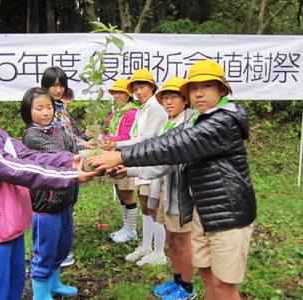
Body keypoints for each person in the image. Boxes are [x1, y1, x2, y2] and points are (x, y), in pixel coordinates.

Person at [88, 60, 256, 300]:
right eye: (194, 87)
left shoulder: (222, 122)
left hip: (228, 214)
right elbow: (161, 144)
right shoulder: (200, 120)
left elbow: (172, 145)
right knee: (208, 274)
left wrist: (120, 154)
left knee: (223, 284)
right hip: (204, 210)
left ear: (222, 91)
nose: (199, 93)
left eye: (207, 86)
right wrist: (128, 167)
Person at [0, 76, 95, 300]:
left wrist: (69, 160)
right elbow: (12, 167)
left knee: (14, 288)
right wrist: (70, 175)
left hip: (11, 223)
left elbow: (27, 155)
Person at [116, 77, 195, 299]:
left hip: (181, 192)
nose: (168, 102)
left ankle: (187, 287)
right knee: (171, 237)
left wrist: (128, 167)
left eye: (174, 97)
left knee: (181, 240)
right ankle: (177, 279)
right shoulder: (168, 123)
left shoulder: (187, 124)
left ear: (185, 100)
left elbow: (166, 161)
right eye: (166, 98)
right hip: (165, 186)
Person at [21, 87, 84, 300]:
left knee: (62, 246)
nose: (46, 112)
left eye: (48, 107)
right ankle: (40, 292)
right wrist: (87, 160)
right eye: (39, 108)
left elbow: (73, 146)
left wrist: (88, 148)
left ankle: (54, 282)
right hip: (45, 204)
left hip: (64, 199)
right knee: (45, 249)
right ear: (28, 111)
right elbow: (63, 155)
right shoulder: (32, 136)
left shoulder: (56, 130)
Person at [105, 69, 168, 265]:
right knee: (145, 205)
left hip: (154, 162)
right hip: (142, 161)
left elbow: (146, 139)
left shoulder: (155, 106)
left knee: (154, 207)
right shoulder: (142, 108)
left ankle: (159, 252)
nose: (139, 91)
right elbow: (135, 138)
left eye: (143, 87)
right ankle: (146, 246)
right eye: (136, 88)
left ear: (152, 87)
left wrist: (117, 146)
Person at [100, 78, 138, 243]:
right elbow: (110, 131)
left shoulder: (132, 112)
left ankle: (131, 230)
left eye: (120, 92)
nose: (116, 95)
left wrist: (106, 139)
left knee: (127, 192)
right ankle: (126, 227)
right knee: (121, 191)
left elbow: (127, 136)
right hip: (113, 156)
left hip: (125, 156)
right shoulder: (115, 112)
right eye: (114, 92)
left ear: (128, 94)